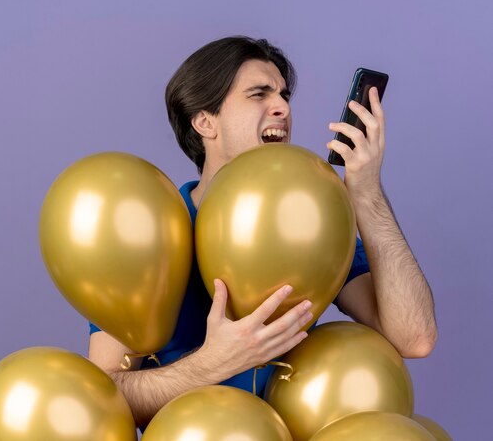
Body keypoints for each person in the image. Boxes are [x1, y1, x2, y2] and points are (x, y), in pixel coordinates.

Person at [88, 36, 437, 428]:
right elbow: (102, 396)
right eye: (259, 94)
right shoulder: (150, 232)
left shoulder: (308, 224)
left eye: (284, 95)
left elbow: (415, 337)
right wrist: (212, 364)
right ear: (205, 121)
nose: (283, 108)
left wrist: (367, 195)